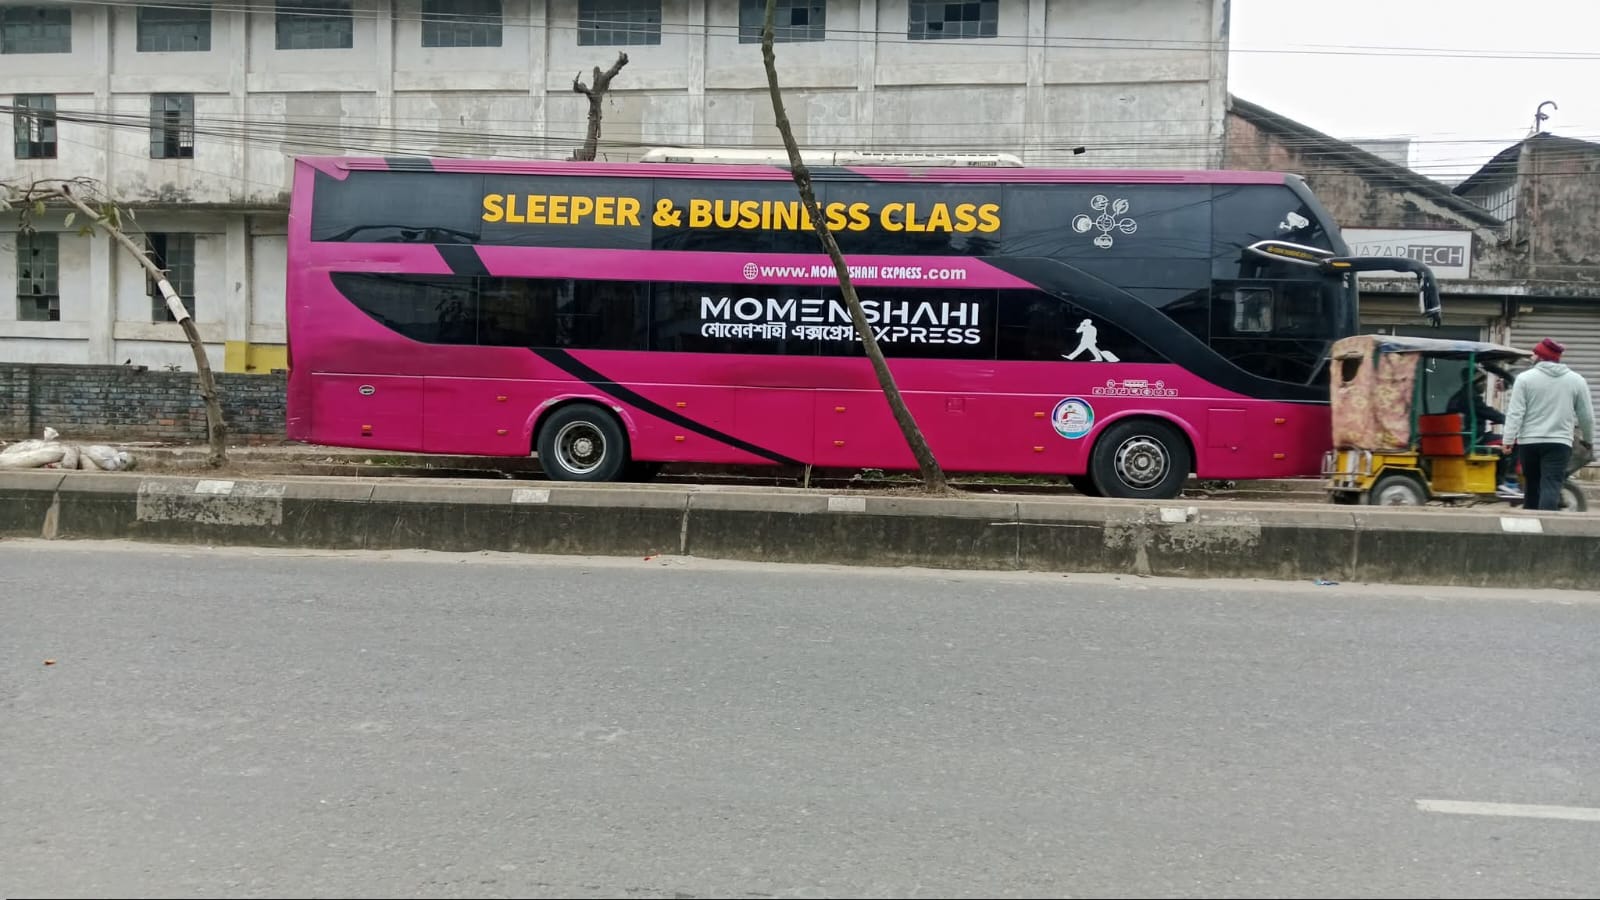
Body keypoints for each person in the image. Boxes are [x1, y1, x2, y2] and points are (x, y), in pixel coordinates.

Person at [1502, 338, 1596, 511]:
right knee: (1551, 484)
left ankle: (1532, 523)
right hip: (1559, 443)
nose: (1532, 358)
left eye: (1534, 354)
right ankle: (1548, 523)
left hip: (1529, 442)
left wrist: (1508, 440)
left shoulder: (1524, 379)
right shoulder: (1576, 380)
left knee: (1532, 485)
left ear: (1540, 357)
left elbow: (1515, 413)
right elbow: (1587, 416)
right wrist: (1588, 440)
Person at [1447, 366, 1517, 494]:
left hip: (1464, 438)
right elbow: (1489, 412)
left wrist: (1498, 418)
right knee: (1512, 443)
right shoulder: (1471, 398)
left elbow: (1482, 413)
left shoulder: (1459, 396)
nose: (1484, 385)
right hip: (1473, 440)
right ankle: (1504, 481)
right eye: (1482, 382)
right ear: (1476, 382)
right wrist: (1509, 420)